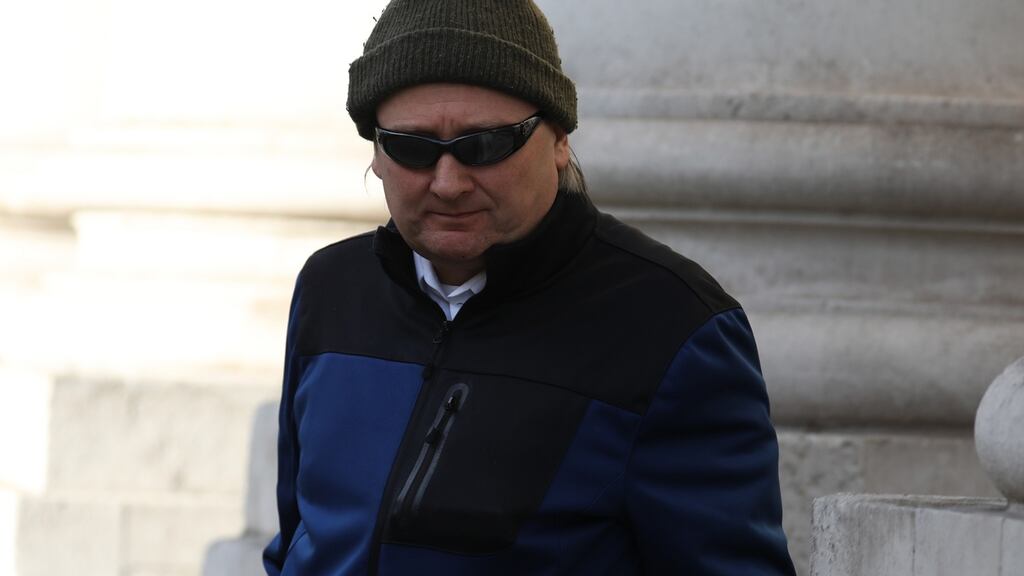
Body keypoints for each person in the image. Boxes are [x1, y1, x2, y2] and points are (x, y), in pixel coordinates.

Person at [263, 1, 796, 574]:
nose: (448, 182)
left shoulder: (672, 327)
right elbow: (299, 542)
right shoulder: (331, 287)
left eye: (485, 145)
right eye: (413, 148)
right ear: (376, 150)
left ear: (560, 137)